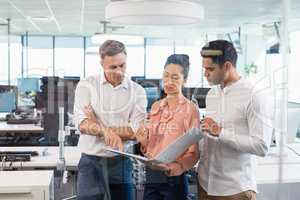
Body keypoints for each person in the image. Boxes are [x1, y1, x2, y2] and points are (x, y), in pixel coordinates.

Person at [197, 40, 274, 200]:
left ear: (227, 66)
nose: (205, 74)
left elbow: (262, 146)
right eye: (204, 68)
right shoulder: (212, 94)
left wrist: (221, 133)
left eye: (210, 69)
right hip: (204, 184)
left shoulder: (254, 96)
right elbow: (210, 135)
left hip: (234, 190)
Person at [73, 40, 147, 200]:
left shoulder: (138, 91)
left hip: (120, 161)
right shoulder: (86, 85)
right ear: (102, 63)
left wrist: (97, 124)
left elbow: (135, 131)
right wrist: (105, 131)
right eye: (113, 67)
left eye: (123, 65)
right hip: (90, 160)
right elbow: (81, 123)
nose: (119, 71)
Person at [136, 54, 200, 200]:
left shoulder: (191, 110)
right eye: (166, 76)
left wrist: (178, 167)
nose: (169, 81)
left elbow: (194, 153)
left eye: (175, 77)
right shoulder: (156, 107)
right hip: (152, 177)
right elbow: (150, 148)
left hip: (174, 178)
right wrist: (143, 140)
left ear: (185, 80)